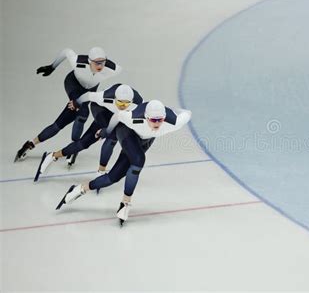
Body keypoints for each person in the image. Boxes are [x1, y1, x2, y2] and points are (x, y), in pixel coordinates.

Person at [56, 100, 192, 226]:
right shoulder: (133, 118)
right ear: (145, 117)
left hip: (146, 140)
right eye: (153, 120)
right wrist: (106, 131)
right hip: (126, 131)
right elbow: (118, 116)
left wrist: (172, 111)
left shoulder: (174, 122)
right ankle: (125, 203)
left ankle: (79, 189)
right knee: (139, 160)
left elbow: (187, 113)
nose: (157, 123)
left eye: (160, 120)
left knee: (113, 177)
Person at [14, 47, 122, 165]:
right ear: (90, 61)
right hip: (73, 84)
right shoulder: (78, 61)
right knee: (79, 113)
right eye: (97, 63)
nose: (101, 66)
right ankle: (34, 144)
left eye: (103, 62)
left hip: (88, 92)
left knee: (76, 117)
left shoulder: (112, 69)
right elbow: (66, 51)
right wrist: (52, 66)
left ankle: (66, 147)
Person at [34, 84, 143, 182]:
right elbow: (89, 95)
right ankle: (52, 156)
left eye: (126, 103)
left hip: (117, 117)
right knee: (85, 143)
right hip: (101, 110)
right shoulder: (104, 96)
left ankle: (100, 171)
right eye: (120, 102)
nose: (123, 106)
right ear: (114, 98)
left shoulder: (138, 104)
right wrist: (76, 103)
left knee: (110, 138)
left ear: (132, 101)